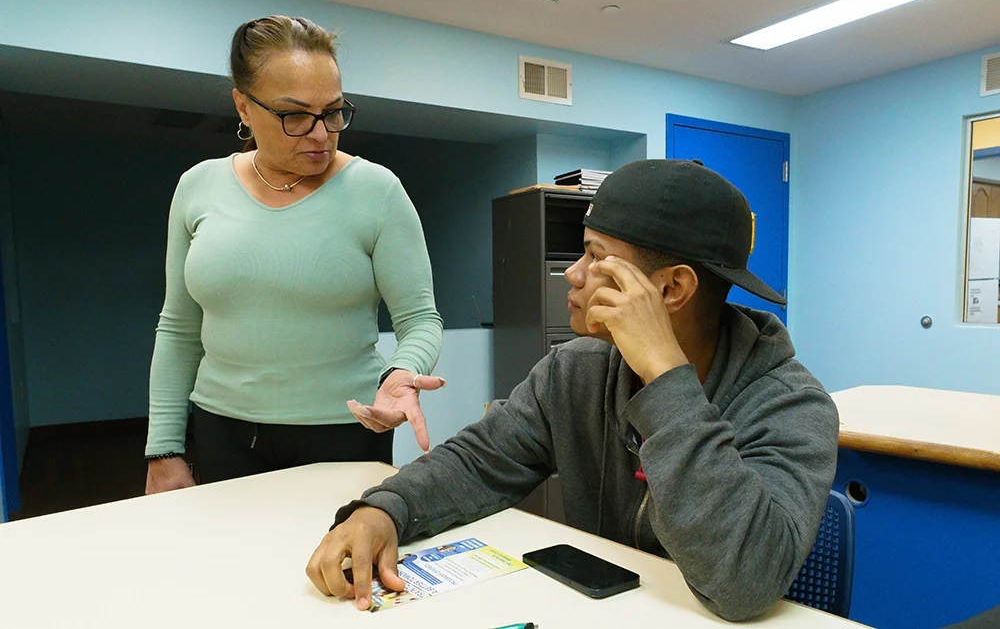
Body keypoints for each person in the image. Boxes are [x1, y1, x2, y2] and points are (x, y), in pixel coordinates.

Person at [306, 159, 841, 621]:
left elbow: (743, 583)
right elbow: (480, 462)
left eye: (594, 256)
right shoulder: (575, 371)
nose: (573, 274)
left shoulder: (791, 405)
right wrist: (384, 510)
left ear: (671, 288)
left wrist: (664, 376)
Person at [144, 15, 445, 494]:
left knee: (336, 568)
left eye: (333, 111)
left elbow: (421, 318)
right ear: (243, 106)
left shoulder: (377, 190)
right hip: (220, 429)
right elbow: (179, 328)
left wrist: (402, 372)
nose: (321, 134)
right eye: (295, 115)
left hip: (345, 432)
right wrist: (163, 449)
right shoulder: (197, 186)